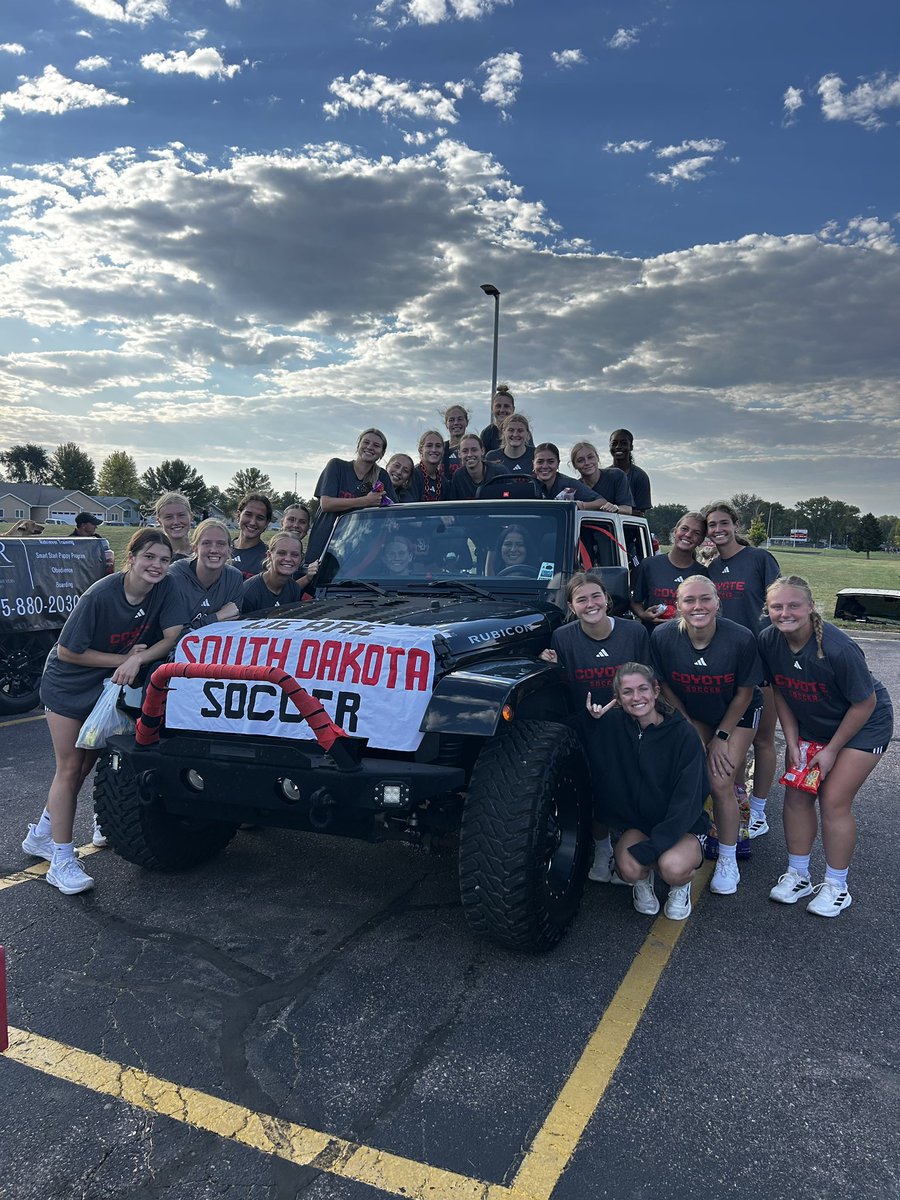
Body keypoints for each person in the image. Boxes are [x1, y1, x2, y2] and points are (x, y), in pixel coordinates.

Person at [21, 529, 184, 895]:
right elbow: (67, 651)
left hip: (106, 686)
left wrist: (139, 657)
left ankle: (41, 834)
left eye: (164, 559)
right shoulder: (102, 594)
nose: (156, 565)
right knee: (68, 766)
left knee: (85, 764)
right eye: (149, 557)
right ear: (133, 558)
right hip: (67, 683)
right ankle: (61, 861)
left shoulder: (166, 588)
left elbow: (172, 636)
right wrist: (124, 659)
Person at [760, 576, 893, 917]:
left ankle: (837, 886)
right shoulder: (769, 640)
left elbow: (864, 704)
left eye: (793, 605)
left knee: (833, 798)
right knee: (797, 794)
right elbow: (781, 692)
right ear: (768, 609)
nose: (785, 612)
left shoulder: (837, 647)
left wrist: (831, 749)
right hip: (812, 723)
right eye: (777, 606)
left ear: (810, 607)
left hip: (863, 725)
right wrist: (791, 743)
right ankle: (798, 875)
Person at [650, 576, 765, 897]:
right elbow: (664, 686)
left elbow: (745, 693)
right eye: (689, 600)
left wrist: (723, 736)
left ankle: (728, 859)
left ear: (717, 602)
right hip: (695, 712)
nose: (697, 606)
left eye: (705, 599)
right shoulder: (663, 636)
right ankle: (695, 835)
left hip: (738, 713)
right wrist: (687, 725)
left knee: (719, 778)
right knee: (690, 772)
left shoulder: (740, 638)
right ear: (678, 604)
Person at [540, 572, 650, 883]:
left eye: (596, 596)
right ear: (572, 607)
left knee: (631, 789)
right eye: (582, 599)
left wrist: (623, 704)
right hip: (588, 724)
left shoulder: (634, 632)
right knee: (598, 789)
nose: (591, 604)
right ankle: (602, 851)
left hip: (630, 724)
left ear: (607, 599)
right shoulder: (563, 637)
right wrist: (545, 661)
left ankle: (627, 850)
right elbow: (560, 683)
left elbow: (648, 681)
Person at [584, 663, 709, 920]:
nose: (636, 697)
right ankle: (642, 882)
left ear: (655, 691)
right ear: (618, 698)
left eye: (642, 689)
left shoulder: (683, 734)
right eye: (627, 692)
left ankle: (680, 885)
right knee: (628, 868)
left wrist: (653, 849)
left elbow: (688, 800)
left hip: (682, 824)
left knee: (671, 867)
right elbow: (595, 763)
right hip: (640, 824)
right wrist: (594, 721)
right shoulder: (613, 726)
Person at [704, 501, 781, 838]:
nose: (717, 529)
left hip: (760, 661)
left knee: (763, 739)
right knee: (732, 736)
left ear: (736, 525)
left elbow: (777, 607)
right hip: (724, 665)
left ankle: (760, 811)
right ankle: (738, 798)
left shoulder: (759, 560)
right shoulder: (709, 569)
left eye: (723, 523)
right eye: (711, 525)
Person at [306, 428, 397, 562]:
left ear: (382, 453)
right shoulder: (336, 466)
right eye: (366, 442)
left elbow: (393, 509)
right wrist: (366, 501)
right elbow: (326, 504)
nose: (370, 447)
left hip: (357, 549)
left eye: (376, 446)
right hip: (324, 541)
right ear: (358, 445)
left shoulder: (382, 475)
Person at [630, 511, 707, 629]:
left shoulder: (703, 573)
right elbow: (635, 601)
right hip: (653, 639)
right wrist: (643, 615)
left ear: (701, 541)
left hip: (688, 640)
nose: (688, 534)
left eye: (696, 533)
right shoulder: (649, 564)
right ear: (675, 531)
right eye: (684, 529)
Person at [168, 518, 244, 629]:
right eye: (206, 543)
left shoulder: (234, 578)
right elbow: (174, 636)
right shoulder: (174, 577)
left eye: (221, 544)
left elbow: (231, 628)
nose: (214, 550)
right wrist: (217, 617)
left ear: (229, 549)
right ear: (195, 548)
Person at [532, 444, 613, 509]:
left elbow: (602, 502)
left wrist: (579, 505)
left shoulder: (569, 484)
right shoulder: (525, 482)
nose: (545, 466)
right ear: (533, 463)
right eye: (540, 462)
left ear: (558, 464)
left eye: (551, 461)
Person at [241, 532, 304, 614]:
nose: (288, 559)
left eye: (295, 555)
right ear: (269, 555)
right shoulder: (249, 592)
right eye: (281, 553)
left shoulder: (294, 588)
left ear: (301, 559)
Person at [570, 442, 634, 513]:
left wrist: (615, 508)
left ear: (597, 458)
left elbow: (627, 509)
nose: (587, 463)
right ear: (574, 465)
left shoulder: (617, 475)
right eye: (580, 460)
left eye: (590, 457)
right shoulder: (574, 488)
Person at [230, 493, 273, 580]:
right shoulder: (221, 549)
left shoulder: (269, 558)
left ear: (267, 523)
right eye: (248, 514)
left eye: (260, 518)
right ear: (238, 516)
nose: (253, 522)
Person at [608, 429, 652, 515]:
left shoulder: (640, 476)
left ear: (631, 447)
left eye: (624, 443)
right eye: (614, 443)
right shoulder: (603, 475)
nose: (618, 447)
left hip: (630, 527)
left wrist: (617, 509)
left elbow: (641, 513)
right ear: (609, 446)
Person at [448, 433, 503, 500]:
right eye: (465, 451)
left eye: (474, 450)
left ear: (482, 451)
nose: (469, 454)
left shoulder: (499, 472)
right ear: (459, 454)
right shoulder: (458, 476)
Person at [281, 504, 319, 590]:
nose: (296, 525)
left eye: (302, 522)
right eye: (291, 520)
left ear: (308, 527)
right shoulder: (266, 554)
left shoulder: (309, 559)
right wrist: (307, 578)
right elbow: (280, 591)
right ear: (282, 523)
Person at [408, 430, 448, 501]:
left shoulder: (444, 482)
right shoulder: (412, 475)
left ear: (443, 451)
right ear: (421, 450)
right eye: (429, 445)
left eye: (438, 446)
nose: (434, 449)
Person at [479, 383, 517, 455]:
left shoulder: (521, 432)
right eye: (498, 406)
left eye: (506, 406)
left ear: (513, 409)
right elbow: (482, 460)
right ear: (492, 409)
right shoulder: (487, 433)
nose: (502, 410)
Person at [154, 492, 193, 561]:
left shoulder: (202, 553)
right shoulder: (155, 555)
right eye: (168, 517)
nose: (176, 522)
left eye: (181, 515)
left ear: (191, 517)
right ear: (159, 521)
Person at [442, 404, 469, 475]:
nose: (456, 423)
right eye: (451, 420)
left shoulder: (474, 447)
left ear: (467, 422)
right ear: (446, 424)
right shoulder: (440, 448)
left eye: (460, 419)